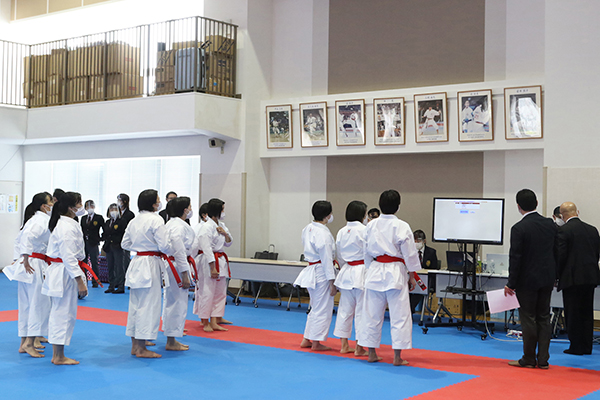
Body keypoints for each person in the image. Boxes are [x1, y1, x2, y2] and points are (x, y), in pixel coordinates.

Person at [358, 190, 419, 366]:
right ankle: (397, 357)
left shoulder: (370, 225)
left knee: (371, 313)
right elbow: (410, 254)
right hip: (395, 271)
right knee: (399, 314)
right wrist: (412, 275)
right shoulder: (402, 226)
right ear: (398, 206)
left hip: (376, 269)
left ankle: (371, 353)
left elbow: (366, 251)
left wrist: (370, 268)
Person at [504, 189, 557, 369]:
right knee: (544, 317)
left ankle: (528, 358)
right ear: (536, 202)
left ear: (518, 207)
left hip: (527, 281)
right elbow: (557, 252)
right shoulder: (550, 224)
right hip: (547, 279)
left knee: (528, 319)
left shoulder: (519, 228)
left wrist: (511, 283)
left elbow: (515, 258)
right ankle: (543, 360)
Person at [3, 192, 54, 358]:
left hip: (30, 263)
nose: (52, 204)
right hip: (34, 264)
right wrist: (24, 257)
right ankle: (29, 343)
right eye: (50, 202)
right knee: (36, 304)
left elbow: (19, 238)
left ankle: (23, 342)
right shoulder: (41, 220)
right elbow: (26, 238)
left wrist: (20, 258)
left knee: (26, 304)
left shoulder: (34, 219)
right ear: (43, 206)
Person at [122, 189, 171, 358]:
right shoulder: (156, 219)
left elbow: (125, 243)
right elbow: (164, 246)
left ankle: (135, 345)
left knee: (135, 304)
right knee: (148, 305)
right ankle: (142, 349)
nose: (159, 202)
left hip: (137, 262)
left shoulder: (134, 220)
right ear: (153, 203)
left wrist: (140, 248)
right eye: (158, 200)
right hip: (150, 263)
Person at [42, 192, 88, 365]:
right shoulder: (66, 226)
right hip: (64, 272)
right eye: (79, 203)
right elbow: (68, 256)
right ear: (70, 207)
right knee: (63, 314)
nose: (81, 206)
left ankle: (58, 354)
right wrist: (79, 281)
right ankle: (58, 356)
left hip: (62, 270)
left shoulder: (65, 223)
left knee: (61, 312)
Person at [556, 202, 600, 356]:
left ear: (562, 215)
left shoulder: (563, 231)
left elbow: (560, 256)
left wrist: (557, 275)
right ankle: (587, 346)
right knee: (587, 312)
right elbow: (596, 254)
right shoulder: (592, 230)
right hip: (590, 277)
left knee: (573, 313)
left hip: (572, 278)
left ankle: (576, 346)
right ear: (577, 212)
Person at [294, 200, 337, 351]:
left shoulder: (308, 228)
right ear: (327, 215)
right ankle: (317, 342)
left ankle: (307, 339)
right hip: (321, 271)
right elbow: (326, 258)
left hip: (312, 268)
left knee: (315, 306)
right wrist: (332, 281)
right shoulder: (323, 233)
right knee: (323, 308)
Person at [333, 200, 368, 356]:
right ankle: (360, 347)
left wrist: (343, 267)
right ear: (361, 215)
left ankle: (344, 345)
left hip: (346, 271)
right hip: (361, 271)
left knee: (344, 309)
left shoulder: (341, 231)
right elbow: (369, 253)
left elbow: (339, 255)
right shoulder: (365, 230)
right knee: (362, 311)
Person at [194, 198, 233, 332]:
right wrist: (212, 266)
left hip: (220, 258)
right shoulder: (206, 227)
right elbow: (207, 248)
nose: (223, 211)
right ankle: (205, 321)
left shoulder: (221, 225)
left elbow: (229, 242)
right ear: (216, 210)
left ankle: (216, 319)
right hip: (208, 260)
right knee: (208, 291)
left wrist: (225, 233)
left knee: (220, 291)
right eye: (222, 209)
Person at [162, 197, 196, 351]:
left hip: (174, 264)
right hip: (177, 265)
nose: (190, 209)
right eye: (189, 206)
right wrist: (184, 273)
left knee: (172, 300)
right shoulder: (178, 226)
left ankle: (172, 336)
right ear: (184, 209)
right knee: (177, 302)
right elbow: (179, 249)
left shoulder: (172, 224)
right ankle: (171, 340)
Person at [409, 230, 439, 313]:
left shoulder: (431, 252)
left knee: (420, 289)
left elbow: (434, 269)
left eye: (418, 241)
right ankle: (407, 309)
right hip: (411, 278)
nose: (416, 243)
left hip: (424, 281)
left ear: (424, 241)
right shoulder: (409, 252)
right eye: (414, 241)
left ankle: (410, 309)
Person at [102, 204, 126, 294]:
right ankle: (111, 285)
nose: (113, 211)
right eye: (111, 209)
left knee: (119, 267)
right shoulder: (108, 222)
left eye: (115, 209)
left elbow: (123, 233)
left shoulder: (122, 221)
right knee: (110, 266)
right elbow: (105, 233)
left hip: (118, 246)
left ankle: (120, 286)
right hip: (108, 247)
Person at [81, 200, 104, 288]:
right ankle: (84, 280)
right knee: (84, 262)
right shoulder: (83, 218)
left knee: (94, 262)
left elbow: (104, 229)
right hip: (84, 243)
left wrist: (100, 238)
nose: (89, 208)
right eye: (88, 206)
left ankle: (95, 281)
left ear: (94, 207)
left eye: (91, 206)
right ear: (85, 208)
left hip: (93, 243)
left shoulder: (99, 218)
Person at [117, 193, 135, 284]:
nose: (118, 202)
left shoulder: (130, 214)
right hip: (116, 240)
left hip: (126, 239)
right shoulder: (116, 213)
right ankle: (119, 280)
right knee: (118, 262)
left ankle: (128, 280)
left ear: (125, 201)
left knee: (126, 260)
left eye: (119, 200)